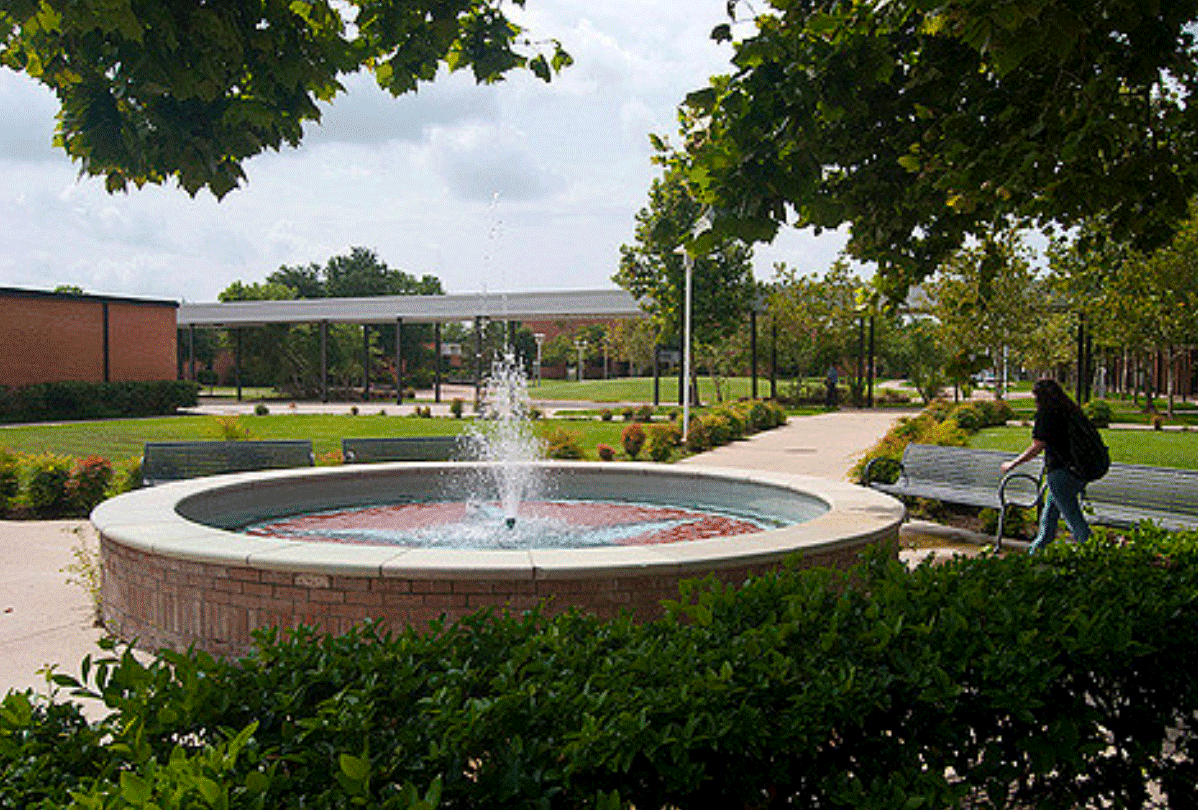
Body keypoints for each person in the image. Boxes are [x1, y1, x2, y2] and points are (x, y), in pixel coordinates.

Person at [1000, 378, 1091, 554]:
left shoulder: (1047, 415)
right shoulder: (1072, 411)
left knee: (1075, 522)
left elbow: (1037, 447)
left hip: (1060, 474)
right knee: (1049, 516)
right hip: (1079, 472)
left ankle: (1094, 555)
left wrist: (1013, 464)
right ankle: (1036, 551)